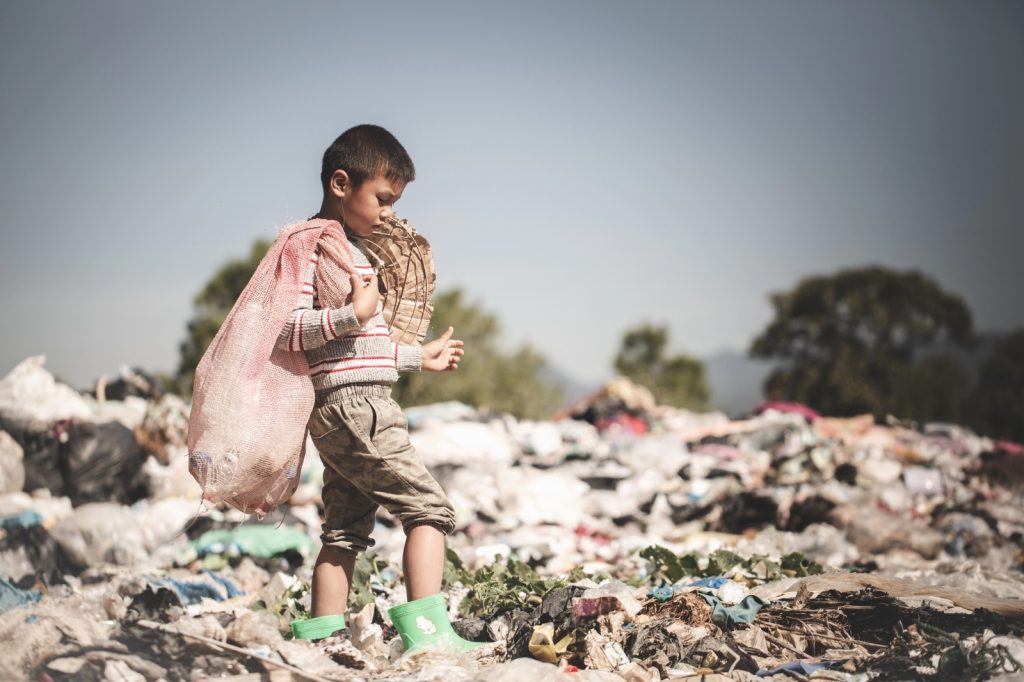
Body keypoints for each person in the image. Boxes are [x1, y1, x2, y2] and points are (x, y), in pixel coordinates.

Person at [279, 125, 479, 651]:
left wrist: (417, 357)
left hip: (354, 405)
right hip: (357, 411)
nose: (389, 213)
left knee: (344, 532)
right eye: (383, 199)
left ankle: (322, 641)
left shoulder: (351, 249)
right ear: (341, 183)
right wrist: (353, 313)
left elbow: (356, 354)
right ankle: (429, 638)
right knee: (429, 510)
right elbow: (287, 328)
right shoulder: (312, 246)